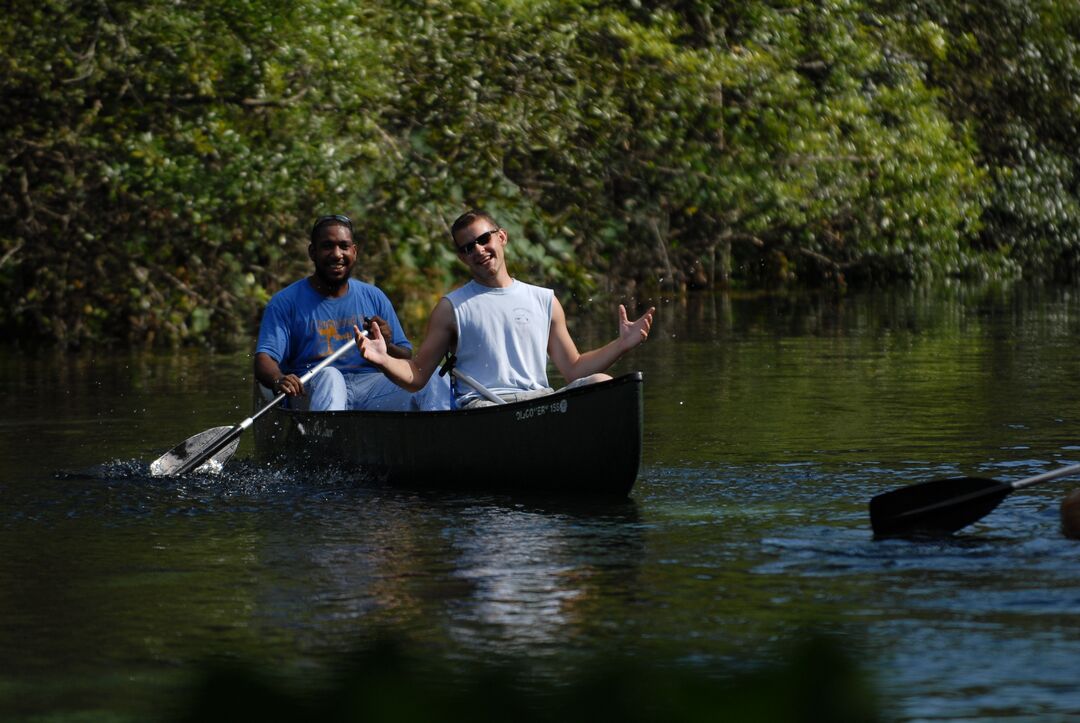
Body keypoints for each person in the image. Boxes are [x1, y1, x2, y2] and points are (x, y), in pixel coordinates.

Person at [354, 209, 655, 408]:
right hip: (484, 409)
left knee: (603, 384)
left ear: (502, 237)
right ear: (462, 258)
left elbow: (573, 368)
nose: (479, 251)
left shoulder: (544, 299)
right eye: (468, 248)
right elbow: (417, 376)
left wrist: (622, 345)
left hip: (538, 402)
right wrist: (382, 359)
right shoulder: (451, 308)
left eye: (484, 240)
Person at [254, 213, 449, 411]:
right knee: (331, 377)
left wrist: (387, 344)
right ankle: (328, 440)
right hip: (310, 390)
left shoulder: (374, 296)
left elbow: (406, 357)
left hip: (371, 388)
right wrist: (278, 379)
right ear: (312, 252)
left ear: (354, 252)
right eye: (327, 246)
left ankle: (442, 435)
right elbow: (264, 359)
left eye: (344, 246)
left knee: (433, 374)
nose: (337, 254)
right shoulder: (284, 302)